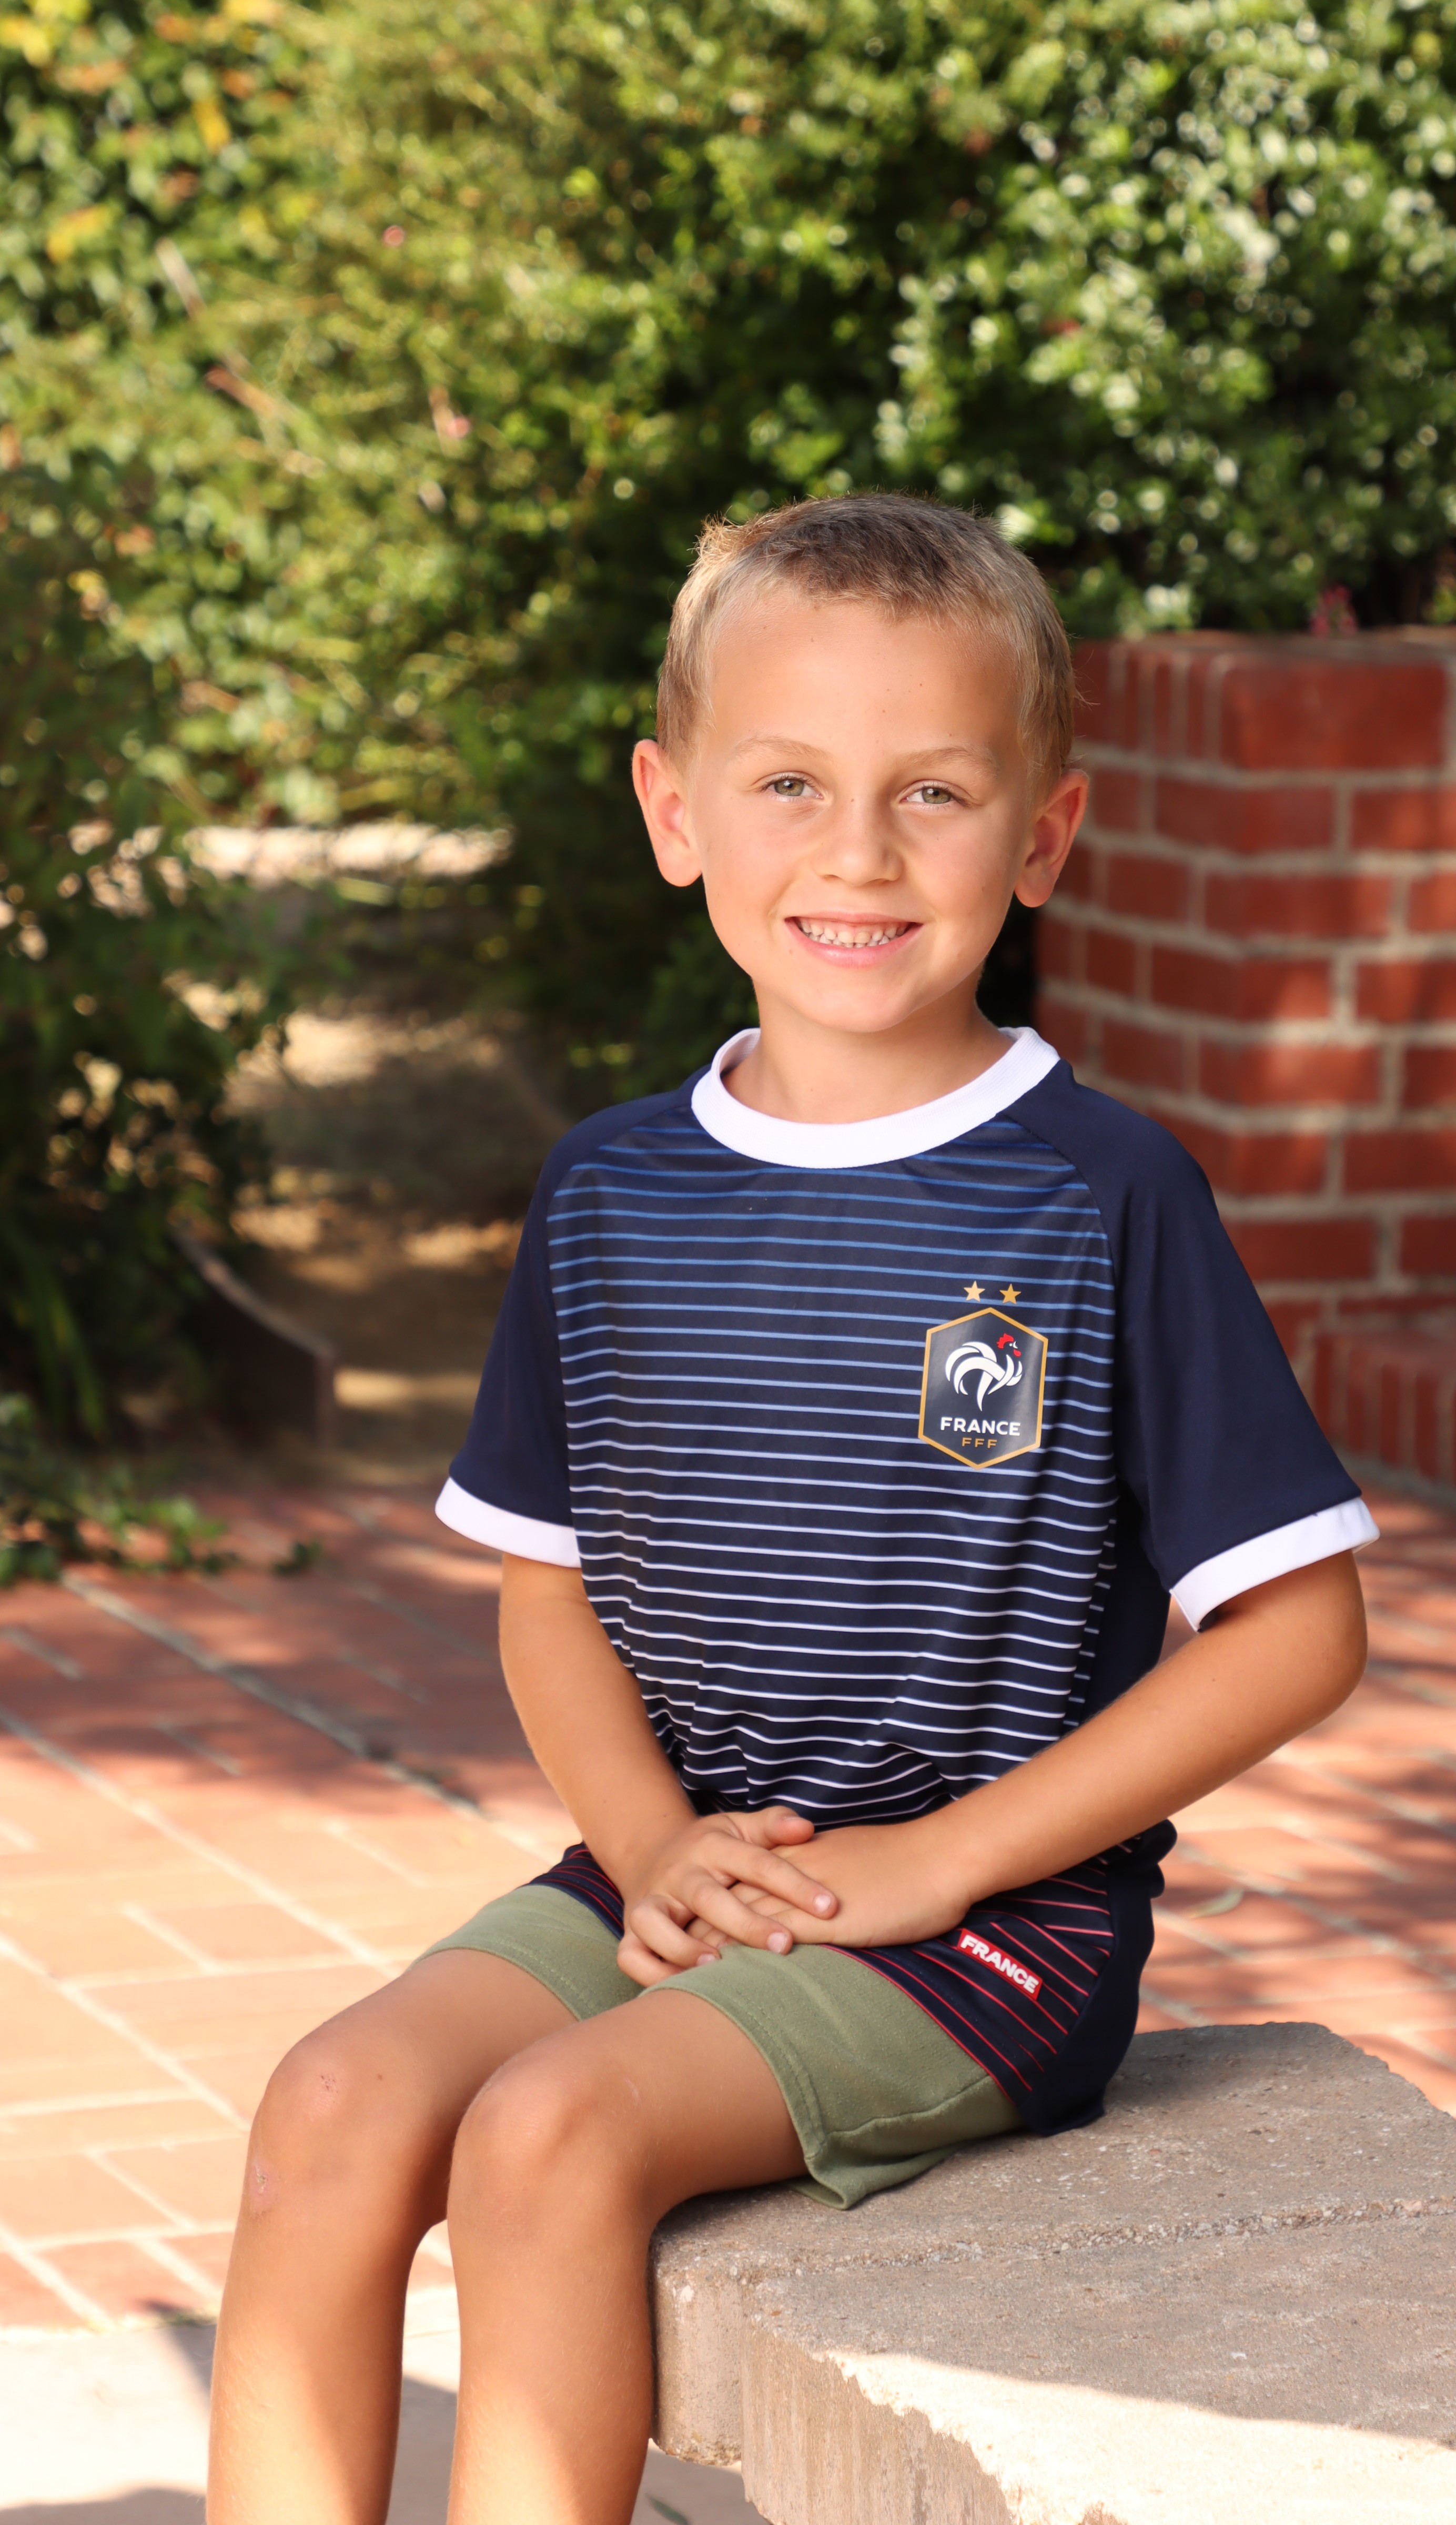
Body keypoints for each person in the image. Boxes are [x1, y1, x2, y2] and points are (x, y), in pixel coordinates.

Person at [207, 492, 1374, 2525]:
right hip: (672, 1870)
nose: (858, 853)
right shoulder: (609, 1192)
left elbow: (1301, 1633)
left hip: (988, 1933)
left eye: (934, 791)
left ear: (1043, 837)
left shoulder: (1103, 1195)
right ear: (675, 813)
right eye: (788, 785)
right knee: (332, 2102)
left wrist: (942, 1864)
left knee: (547, 2134)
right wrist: (647, 1845)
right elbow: (549, 1593)